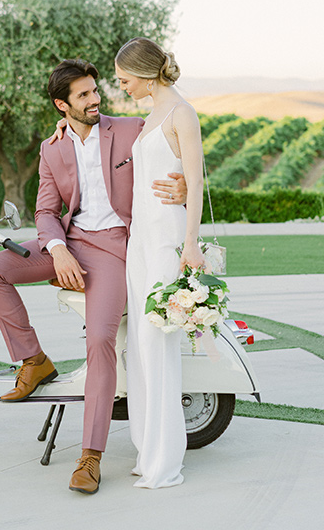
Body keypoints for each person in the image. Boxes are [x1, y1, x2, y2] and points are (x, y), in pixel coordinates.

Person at [0, 58, 187, 495]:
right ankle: (34, 362)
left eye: (96, 91)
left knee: (99, 341)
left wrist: (183, 185)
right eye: (84, 95)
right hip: (68, 241)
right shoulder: (51, 147)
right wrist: (56, 249)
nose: (96, 100)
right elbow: (45, 211)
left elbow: (183, 150)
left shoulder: (131, 128)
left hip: (113, 249)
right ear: (62, 105)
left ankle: (90, 457)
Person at [114, 37, 206, 489]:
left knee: (157, 343)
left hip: (168, 239)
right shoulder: (151, 113)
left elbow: (196, 179)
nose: (122, 87)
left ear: (145, 73)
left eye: (124, 79)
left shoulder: (181, 114)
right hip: (140, 242)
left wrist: (190, 243)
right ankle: (147, 447)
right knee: (140, 344)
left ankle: (165, 459)